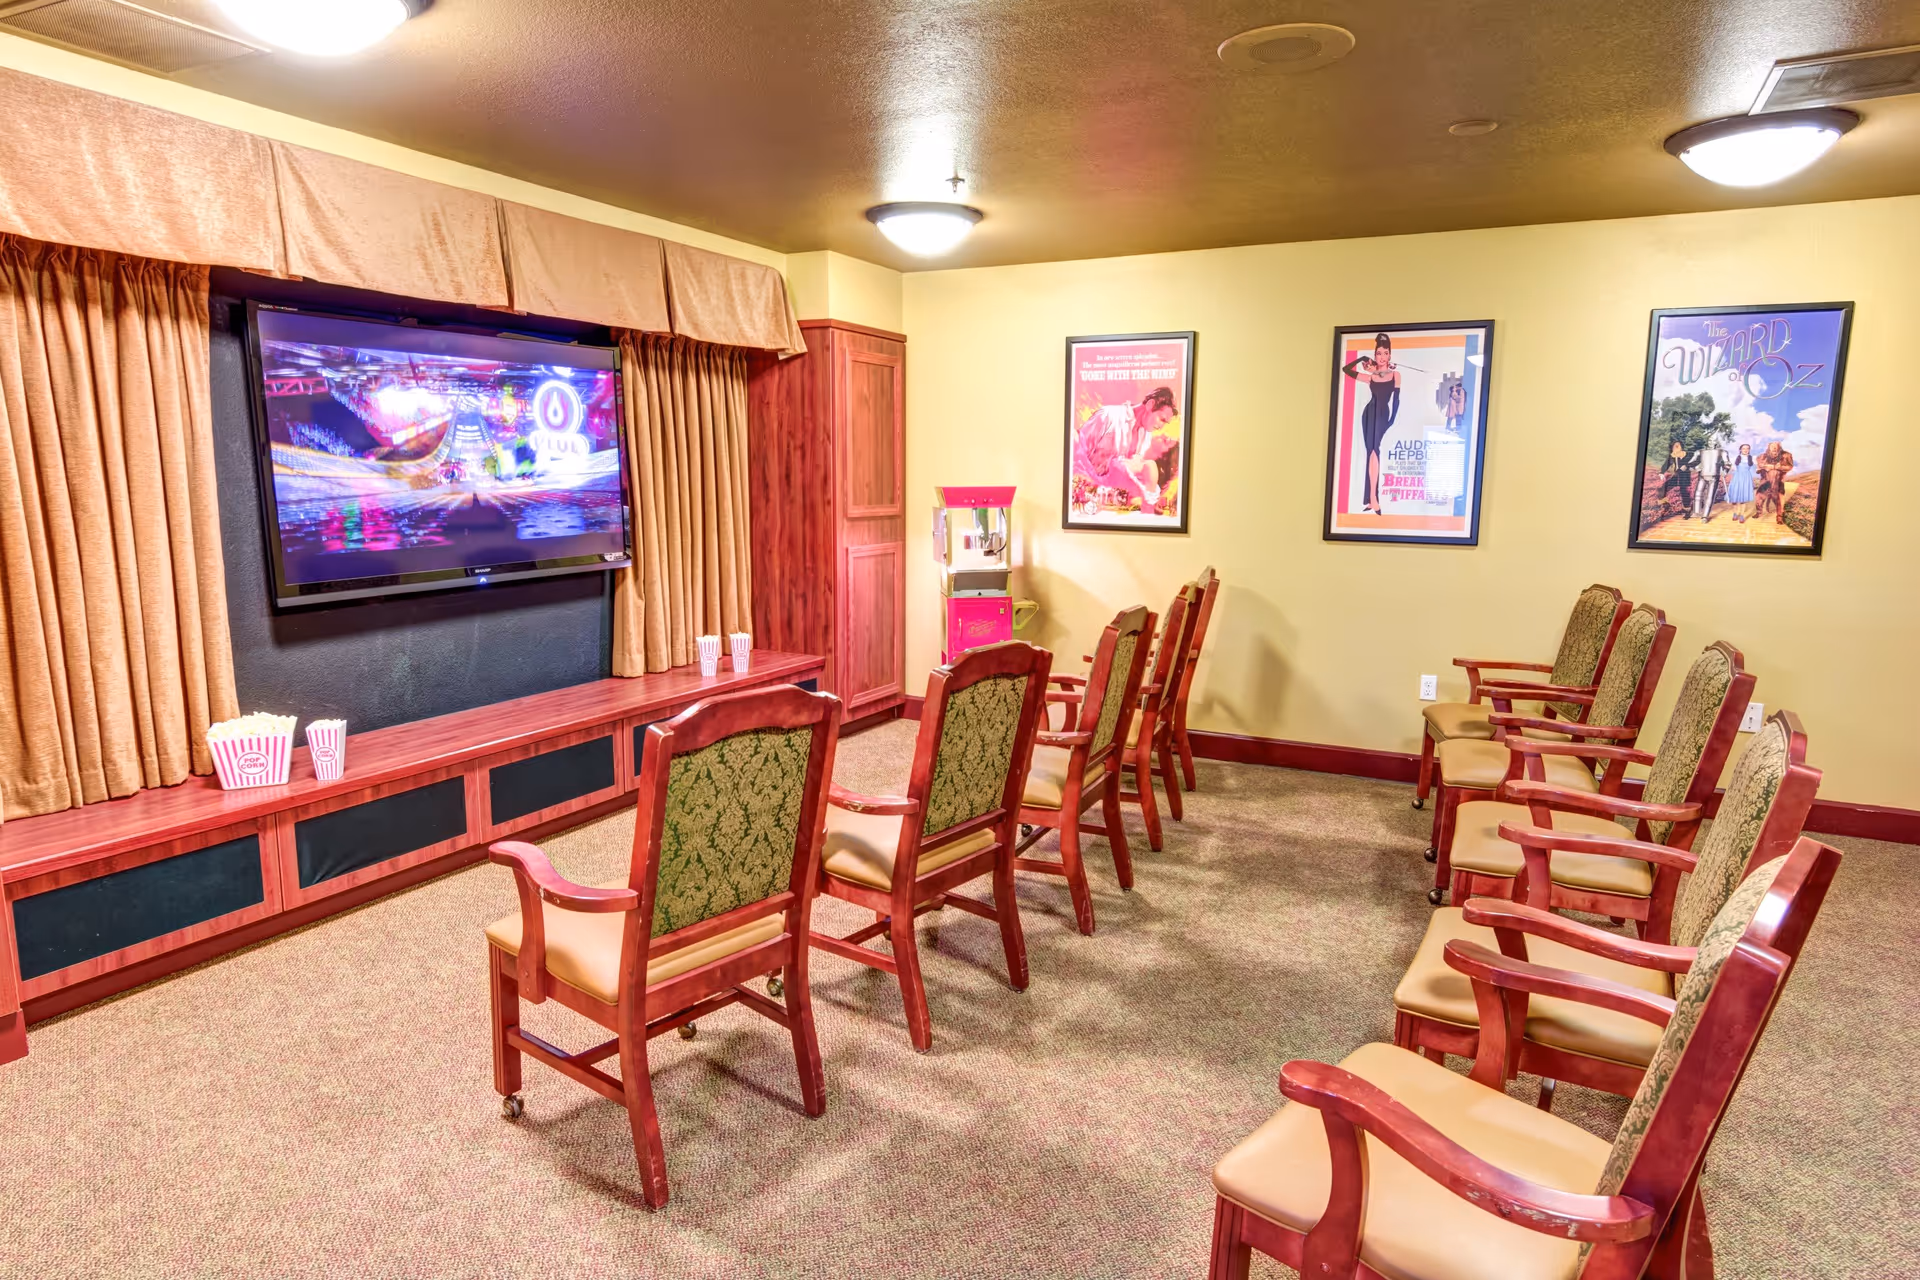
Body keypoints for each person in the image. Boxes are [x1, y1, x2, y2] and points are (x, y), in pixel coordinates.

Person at [1078, 386, 1180, 514]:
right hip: (1089, 492)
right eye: (1162, 419)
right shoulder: (1108, 416)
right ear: (1150, 405)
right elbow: (1078, 450)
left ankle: (1147, 510)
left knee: (1149, 466)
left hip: (1114, 498)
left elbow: (1130, 470)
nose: (1161, 426)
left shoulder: (1146, 435)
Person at [1341, 334, 1401, 514]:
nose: (1381, 357)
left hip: (1383, 415)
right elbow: (1346, 369)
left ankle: (1373, 499)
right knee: (1371, 452)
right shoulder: (1371, 377)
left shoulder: (1395, 375)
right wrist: (1361, 358)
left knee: (1375, 451)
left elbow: (1396, 400)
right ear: (1374, 356)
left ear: (1390, 355)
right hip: (1369, 414)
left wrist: (1392, 420)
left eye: (1385, 353)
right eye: (1378, 353)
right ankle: (1372, 500)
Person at [1755, 441, 1795, 520]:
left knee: (1778, 499)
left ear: (1779, 447)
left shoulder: (1786, 455)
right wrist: (1766, 466)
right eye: (1772, 446)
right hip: (1765, 481)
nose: (1774, 448)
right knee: (1759, 496)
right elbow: (1760, 465)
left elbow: (1789, 467)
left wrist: (1777, 467)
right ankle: (1759, 512)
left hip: (1778, 481)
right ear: (1768, 447)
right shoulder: (1762, 456)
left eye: (1776, 446)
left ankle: (1779, 516)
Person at [1691, 439, 1726, 521]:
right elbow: (1692, 461)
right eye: (1709, 441)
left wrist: (1725, 471)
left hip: (1714, 476)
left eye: (1713, 441)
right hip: (1702, 475)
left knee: (1709, 496)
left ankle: (1705, 516)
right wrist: (1696, 467)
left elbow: (1727, 463)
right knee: (1698, 494)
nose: (1711, 443)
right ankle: (1696, 512)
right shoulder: (1700, 451)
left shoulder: (1722, 452)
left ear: (1716, 443)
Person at [1726, 443, 1756, 523]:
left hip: (1746, 478)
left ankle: (1742, 515)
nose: (1745, 450)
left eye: (1747, 448)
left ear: (1749, 450)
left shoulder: (1750, 458)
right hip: (1737, 478)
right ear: (1740, 450)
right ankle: (1735, 513)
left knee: (1743, 499)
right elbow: (1731, 468)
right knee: (1734, 498)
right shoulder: (1737, 458)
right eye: (1743, 448)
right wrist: (1728, 467)